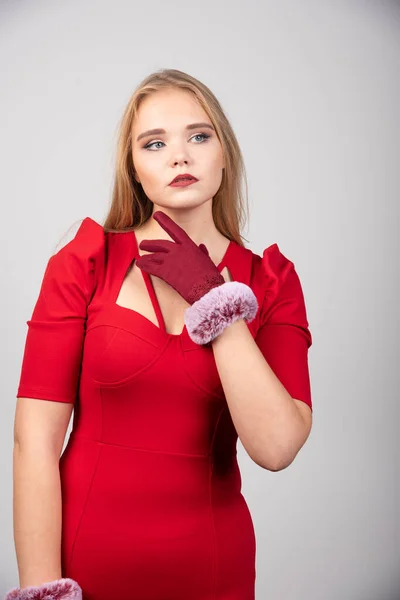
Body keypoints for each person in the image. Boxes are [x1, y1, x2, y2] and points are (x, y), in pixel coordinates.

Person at [7, 68, 313, 600]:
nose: (180, 156)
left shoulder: (271, 281)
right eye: (155, 143)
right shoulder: (84, 264)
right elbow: (33, 440)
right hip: (88, 560)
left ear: (224, 154)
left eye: (199, 136)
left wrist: (215, 302)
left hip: (213, 567)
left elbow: (277, 447)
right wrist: (42, 590)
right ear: (135, 167)